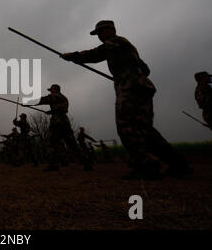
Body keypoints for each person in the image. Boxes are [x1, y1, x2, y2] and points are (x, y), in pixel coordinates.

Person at [61, 20, 191, 179]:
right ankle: (178, 164)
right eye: (98, 34)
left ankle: (147, 166)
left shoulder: (115, 42)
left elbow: (94, 55)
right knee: (144, 130)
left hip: (130, 88)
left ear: (110, 30)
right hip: (140, 86)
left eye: (101, 32)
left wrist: (71, 56)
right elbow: (146, 69)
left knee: (126, 127)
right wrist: (126, 70)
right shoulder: (126, 46)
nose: (99, 36)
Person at [31, 84, 93, 171]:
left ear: (55, 89)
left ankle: (53, 165)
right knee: (71, 145)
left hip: (58, 123)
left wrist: (28, 101)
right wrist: (52, 111)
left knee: (50, 142)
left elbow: (45, 99)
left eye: (51, 90)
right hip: (63, 123)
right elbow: (60, 108)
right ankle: (86, 162)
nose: (50, 92)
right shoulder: (62, 98)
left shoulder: (56, 96)